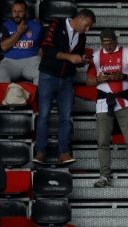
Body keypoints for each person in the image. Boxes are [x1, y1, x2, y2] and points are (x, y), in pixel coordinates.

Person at [35, 8, 96, 164]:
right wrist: (70, 57)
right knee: (43, 115)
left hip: (67, 79)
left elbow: (76, 60)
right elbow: (46, 49)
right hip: (48, 76)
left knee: (66, 117)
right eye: (87, 25)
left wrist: (82, 60)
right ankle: (40, 152)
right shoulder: (56, 25)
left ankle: (63, 153)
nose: (88, 29)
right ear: (80, 19)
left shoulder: (82, 36)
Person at [87, 29, 128, 188]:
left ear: (115, 40)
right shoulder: (96, 56)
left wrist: (123, 76)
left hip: (124, 100)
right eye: (104, 43)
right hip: (103, 100)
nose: (108, 46)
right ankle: (104, 176)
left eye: (110, 43)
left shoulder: (127, 53)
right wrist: (98, 79)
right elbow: (89, 81)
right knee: (103, 140)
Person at [0, 0, 42, 84]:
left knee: (41, 73)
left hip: (31, 60)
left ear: (26, 12)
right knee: (1, 72)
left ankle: (34, 93)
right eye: (14, 11)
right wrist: (19, 32)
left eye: (20, 11)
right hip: (10, 61)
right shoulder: (6, 25)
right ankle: (9, 93)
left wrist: (38, 59)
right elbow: (4, 47)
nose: (17, 14)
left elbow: (41, 48)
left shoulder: (36, 26)